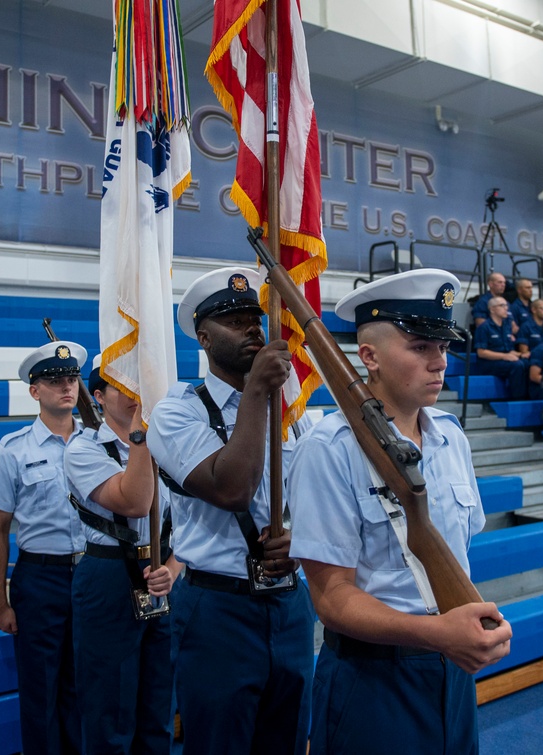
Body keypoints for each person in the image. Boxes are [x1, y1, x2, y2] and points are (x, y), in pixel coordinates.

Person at [286, 269, 513, 753]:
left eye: (443, 348)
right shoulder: (329, 449)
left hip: (451, 670)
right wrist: (437, 633)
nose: (439, 363)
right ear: (368, 356)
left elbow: (456, 553)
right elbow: (330, 598)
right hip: (372, 677)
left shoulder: (451, 435)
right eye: (419, 347)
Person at [147, 267, 315, 754]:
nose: (252, 329)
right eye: (233, 320)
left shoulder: (291, 411)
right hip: (218, 611)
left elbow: (313, 498)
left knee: (286, 739)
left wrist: (299, 541)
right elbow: (231, 488)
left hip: (288, 604)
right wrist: (258, 391)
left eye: (254, 318)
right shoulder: (177, 411)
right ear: (203, 336)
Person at [65, 357, 179, 755]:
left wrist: (173, 569)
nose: (135, 396)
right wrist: (140, 439)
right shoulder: (82, 450)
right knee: (108, 711)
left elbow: (187, 519)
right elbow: (133, 501)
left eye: (139, 387)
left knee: (158, 707)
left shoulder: (166, 444)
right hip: (109, 577)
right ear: (97, 396)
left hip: (161, 575)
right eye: (122, 388)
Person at [0, 341, 87, 755]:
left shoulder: (97, 444)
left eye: (72, 379)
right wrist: (1, 602)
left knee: (83, 686)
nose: (66, 387)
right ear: (34, 390)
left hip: (92, 575)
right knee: (40, 691)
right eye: (54, 380)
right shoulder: (12, 450)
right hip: (40, 579)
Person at [474, 296, 528, 399]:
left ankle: (530, 396)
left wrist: (520, 354)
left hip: (504, 359)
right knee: (517, 366)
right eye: (502, 305)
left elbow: (507, 348)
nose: (506, 308)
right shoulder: (484, 327)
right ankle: (517, 398)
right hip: (489, 363)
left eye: (506, 305)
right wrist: (505, 356)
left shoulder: (506, 326)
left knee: (527, 362)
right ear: (492, 309)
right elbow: (481, 352)